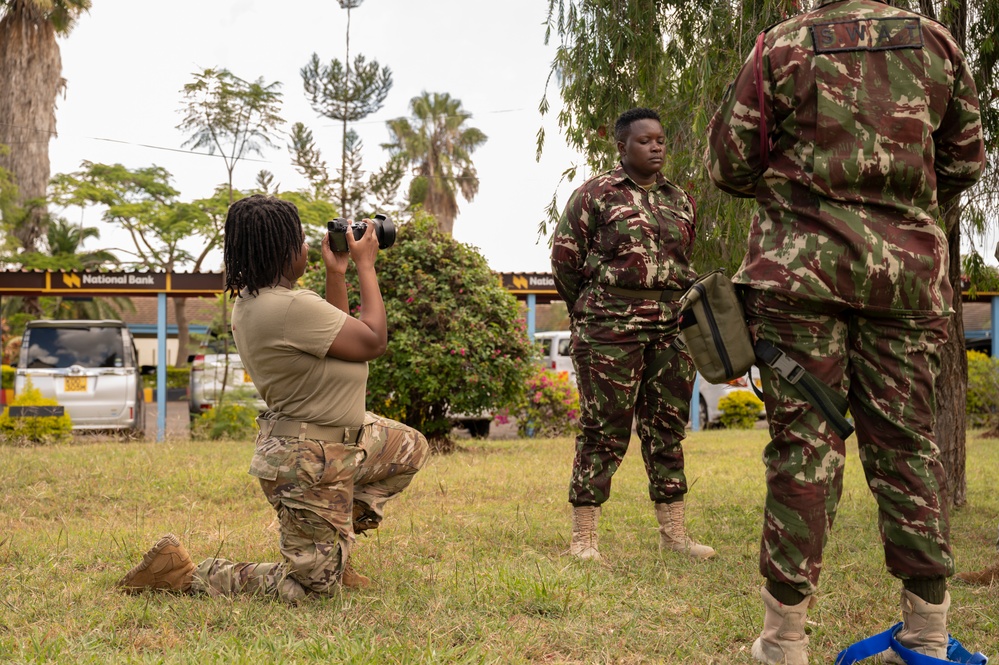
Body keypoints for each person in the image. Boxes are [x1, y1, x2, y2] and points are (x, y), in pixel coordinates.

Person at [704, 1, 985, 662]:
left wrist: (806, 195)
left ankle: (782, 644)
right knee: (910, 448)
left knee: (802, 449)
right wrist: (894, 204)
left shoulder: (780, 45)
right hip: (905, 282)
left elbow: (727, 164)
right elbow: (965, 162)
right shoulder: (936, 44)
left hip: (796, 281)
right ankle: (925, 638)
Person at [117, 195, 429, 603]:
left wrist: (337, 275)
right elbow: (371, 340)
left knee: (409, 447)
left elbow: (338, 336)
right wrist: (364, 266)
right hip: (309, 459)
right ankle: (181, 572)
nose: (306, 248)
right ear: (281, 250)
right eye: (299, 242)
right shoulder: (287, 307)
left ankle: (333, 541)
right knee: (313, 590)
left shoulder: (261, 303)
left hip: (338, 443)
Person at [551, 107, 715, 563]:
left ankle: (675, 536)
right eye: (645, 141)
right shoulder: (594, 196)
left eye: (661, 139)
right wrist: (592, 312)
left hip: (670, 327)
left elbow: (683, 262)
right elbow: (565, 260)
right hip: (609, 328)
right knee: (603, 428)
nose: (657, 147)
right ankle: (584, 539)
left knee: (667, 427)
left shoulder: (680, 199)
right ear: (622, 147)